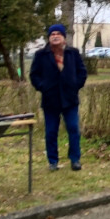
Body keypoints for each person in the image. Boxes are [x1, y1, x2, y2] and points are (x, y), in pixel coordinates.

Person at [30, 24, 88, 171]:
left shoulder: (73, 53)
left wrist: (75, 85)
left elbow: (82, 72)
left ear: (63, 37)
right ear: (49, 38)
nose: (55, 36)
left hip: (70, 99)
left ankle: (75, 160)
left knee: (74, 129)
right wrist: (43, 86)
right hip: (50, 100)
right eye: (52, 34)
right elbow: (34, 75)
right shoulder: (41, 55)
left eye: (58, 34)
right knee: (51, 132)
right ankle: (53, 161)